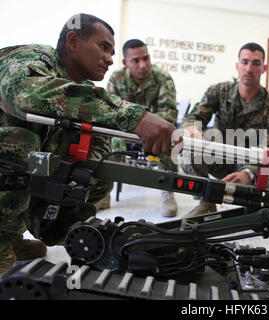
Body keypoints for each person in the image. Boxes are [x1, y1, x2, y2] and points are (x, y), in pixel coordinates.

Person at [0, 14, 176, 274]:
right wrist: (136, 116)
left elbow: (100, 142)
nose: (110, 58)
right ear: (73, 41)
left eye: (113, 52)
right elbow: (27, 96)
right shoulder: (32, 58)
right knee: (20, 142)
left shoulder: (83, 89)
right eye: (104, 47)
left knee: (100, 167)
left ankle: (24, 233)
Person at [180, 42, 269, 218]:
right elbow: (194, 116)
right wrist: (191, 128)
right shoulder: (219, 91)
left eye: (256, 63)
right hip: (221, 157)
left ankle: (250, 205)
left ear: (264, 68)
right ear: (237, 66)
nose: (249, 68)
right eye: (244, 62)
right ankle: (207, 202)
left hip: (251, 163)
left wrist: (248, 173)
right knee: (190, 150)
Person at [106, 39, 179, 217]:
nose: (143, 65)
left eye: (146, 58)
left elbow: (169, 112)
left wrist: (149, 127)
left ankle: (167, 190)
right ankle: (105, 190)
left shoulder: (162, 78)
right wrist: (136, 125)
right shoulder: (117, 79)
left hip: (154, 131)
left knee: (168, 137)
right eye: (136, 60)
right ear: (125, 63)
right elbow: (109, 111)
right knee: (109, 139)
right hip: (124, 132)